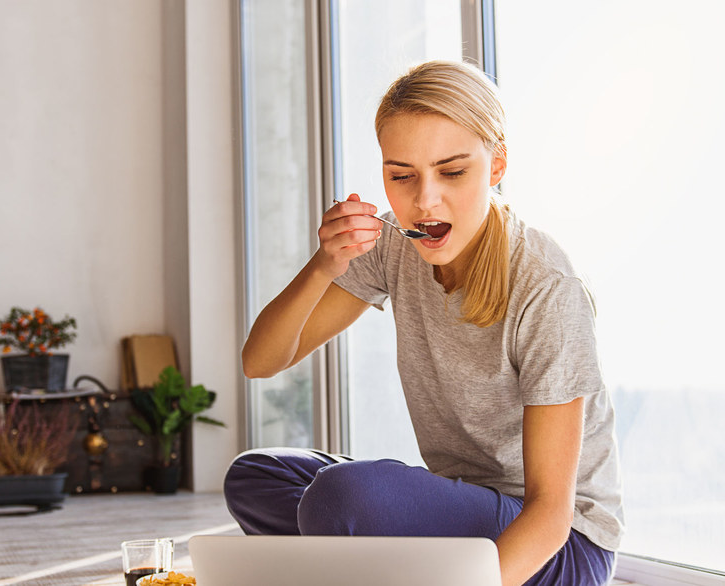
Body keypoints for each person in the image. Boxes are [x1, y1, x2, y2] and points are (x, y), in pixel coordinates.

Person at [224, 60, 623, 586]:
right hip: (462, 512)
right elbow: (261, 361)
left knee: (340, 499)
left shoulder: (546, 286)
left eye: (452, 172)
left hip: (558, 548)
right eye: (401, 175)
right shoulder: (393, 246)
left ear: (497, 164)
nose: (424, 200)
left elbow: (551, 515)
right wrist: (326, 262)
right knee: (256, 477)